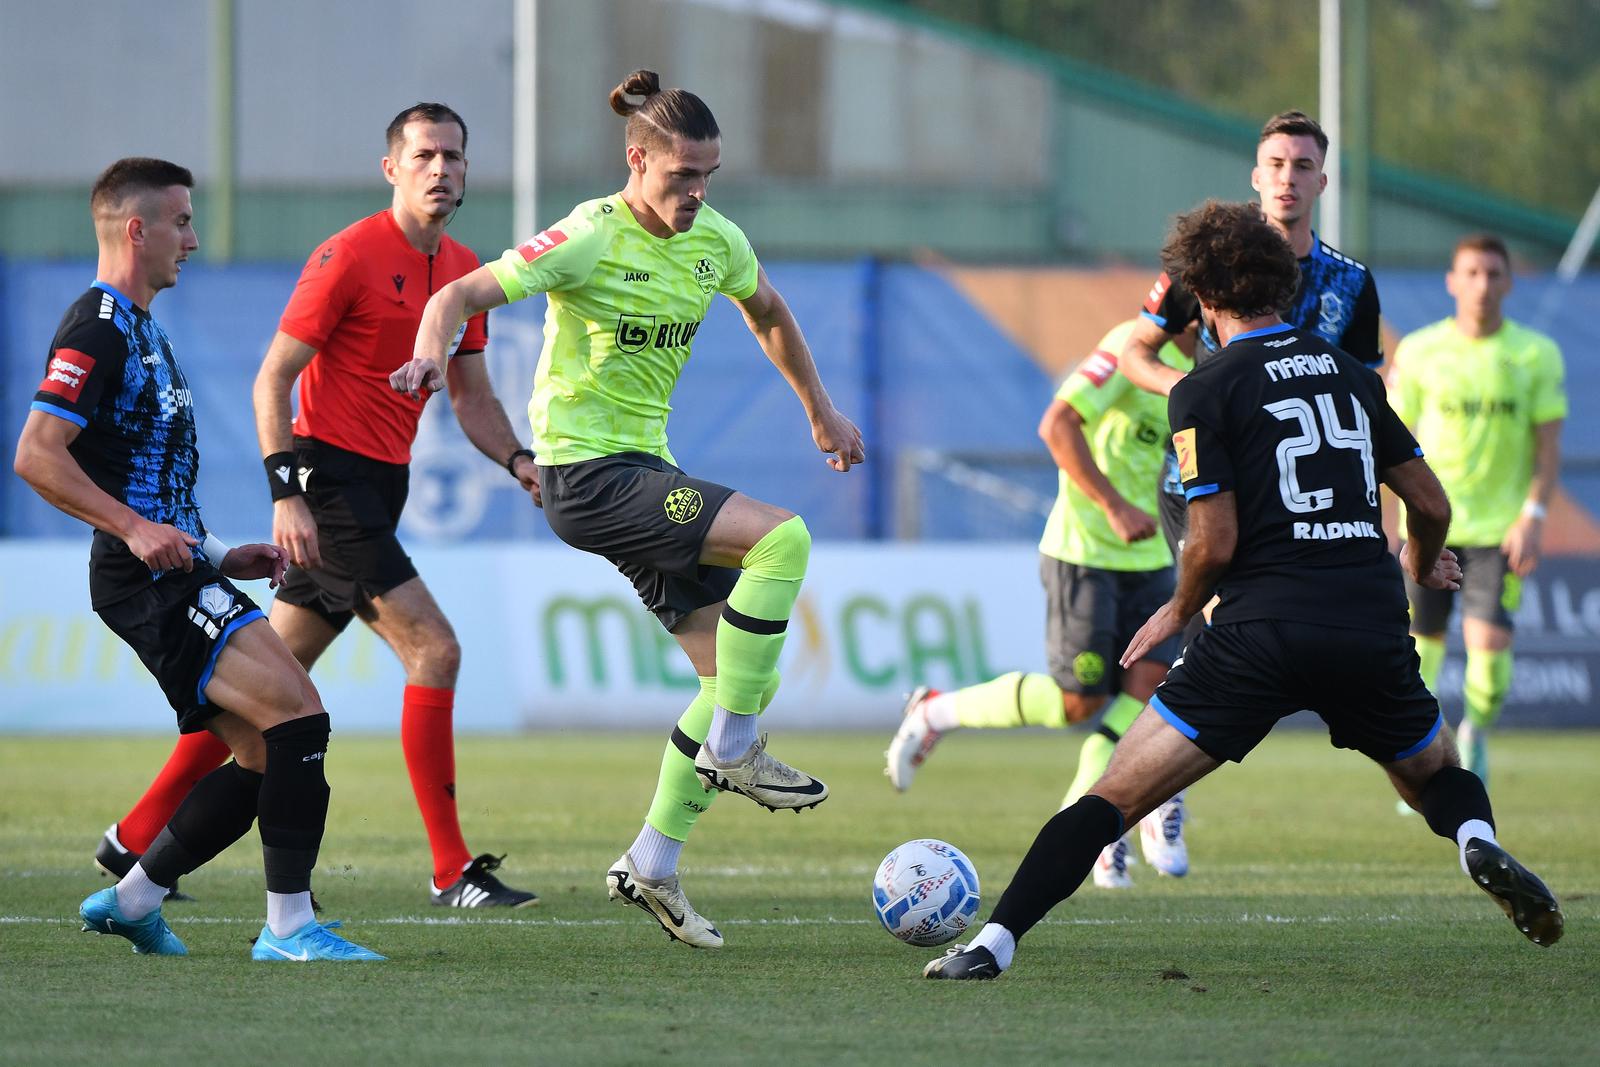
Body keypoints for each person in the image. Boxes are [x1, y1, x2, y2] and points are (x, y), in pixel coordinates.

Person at [924, 200, 1562, 982]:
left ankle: (994, 942)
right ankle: (1475, 842)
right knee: (1436, 771)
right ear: (1284, 285)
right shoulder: (1353, 375)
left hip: (1259, 631)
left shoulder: (1203, 388)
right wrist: (1424, 561)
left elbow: (1214, 540)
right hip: (1368, 621)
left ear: (1204, 297)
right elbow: (1430, 504)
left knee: (1112, 795)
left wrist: (1179, 607)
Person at [391, 70, 864, 949]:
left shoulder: (715, 238)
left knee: (725, 671)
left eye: (708, 176)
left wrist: (820, 410)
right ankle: (738, 746)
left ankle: (653, 857)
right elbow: (455, 296)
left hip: (643, 468)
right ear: (637, 161)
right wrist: (428, 353)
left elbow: (768, 311)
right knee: (782, 540)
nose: (696, 194)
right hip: (586, 474)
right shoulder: (586, 236)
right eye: (681, 176)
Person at [90, 104, 540, 910]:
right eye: (425, 155)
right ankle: (451, 869)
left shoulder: (466, 271)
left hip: (382, 489)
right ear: (391, 168)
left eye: (455, 157)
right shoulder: (350, 254)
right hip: (329, 484)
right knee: (435, 651)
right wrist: (286, 492)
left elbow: (472, 397)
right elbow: (272, 377)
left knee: (269, 689)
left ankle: (132, 835)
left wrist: (518, 458)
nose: (442, 169)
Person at [14, 157, 382, 960]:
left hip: (179, 567)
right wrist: (134, 531)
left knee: (257, 752)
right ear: (135, 228)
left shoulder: (143, 326)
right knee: (300, 716)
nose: (193, 237)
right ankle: (288, 927)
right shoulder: (97, 327)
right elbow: (39, 454)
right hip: (143, 577)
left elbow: (149, 480)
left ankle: (132, 899)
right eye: (180, 221)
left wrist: (220, 550)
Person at [885, 319, 1195, 887]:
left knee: (1150, 689)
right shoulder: (1132, 346)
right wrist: (1113, 506)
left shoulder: (1224, 357)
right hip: (1087, 552)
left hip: (1156, 556)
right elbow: (1056, 426)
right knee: (1078, 704)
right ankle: (935, 710)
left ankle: (1097, 824)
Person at [1387, 235, 1566, 785]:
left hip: (1499, 530)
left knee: (1488, 656)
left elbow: (1548, 448)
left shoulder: (1535, 353)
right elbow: (1391, 438)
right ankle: (1428, 758)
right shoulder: (1419, 351)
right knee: (1424, 652)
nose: (1482, 285)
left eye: (1493, 274)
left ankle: (1476, 732)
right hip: (1427, 526)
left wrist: (1533, 516)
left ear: (1508, 282)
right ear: (1452, 281)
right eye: (1472, 273)